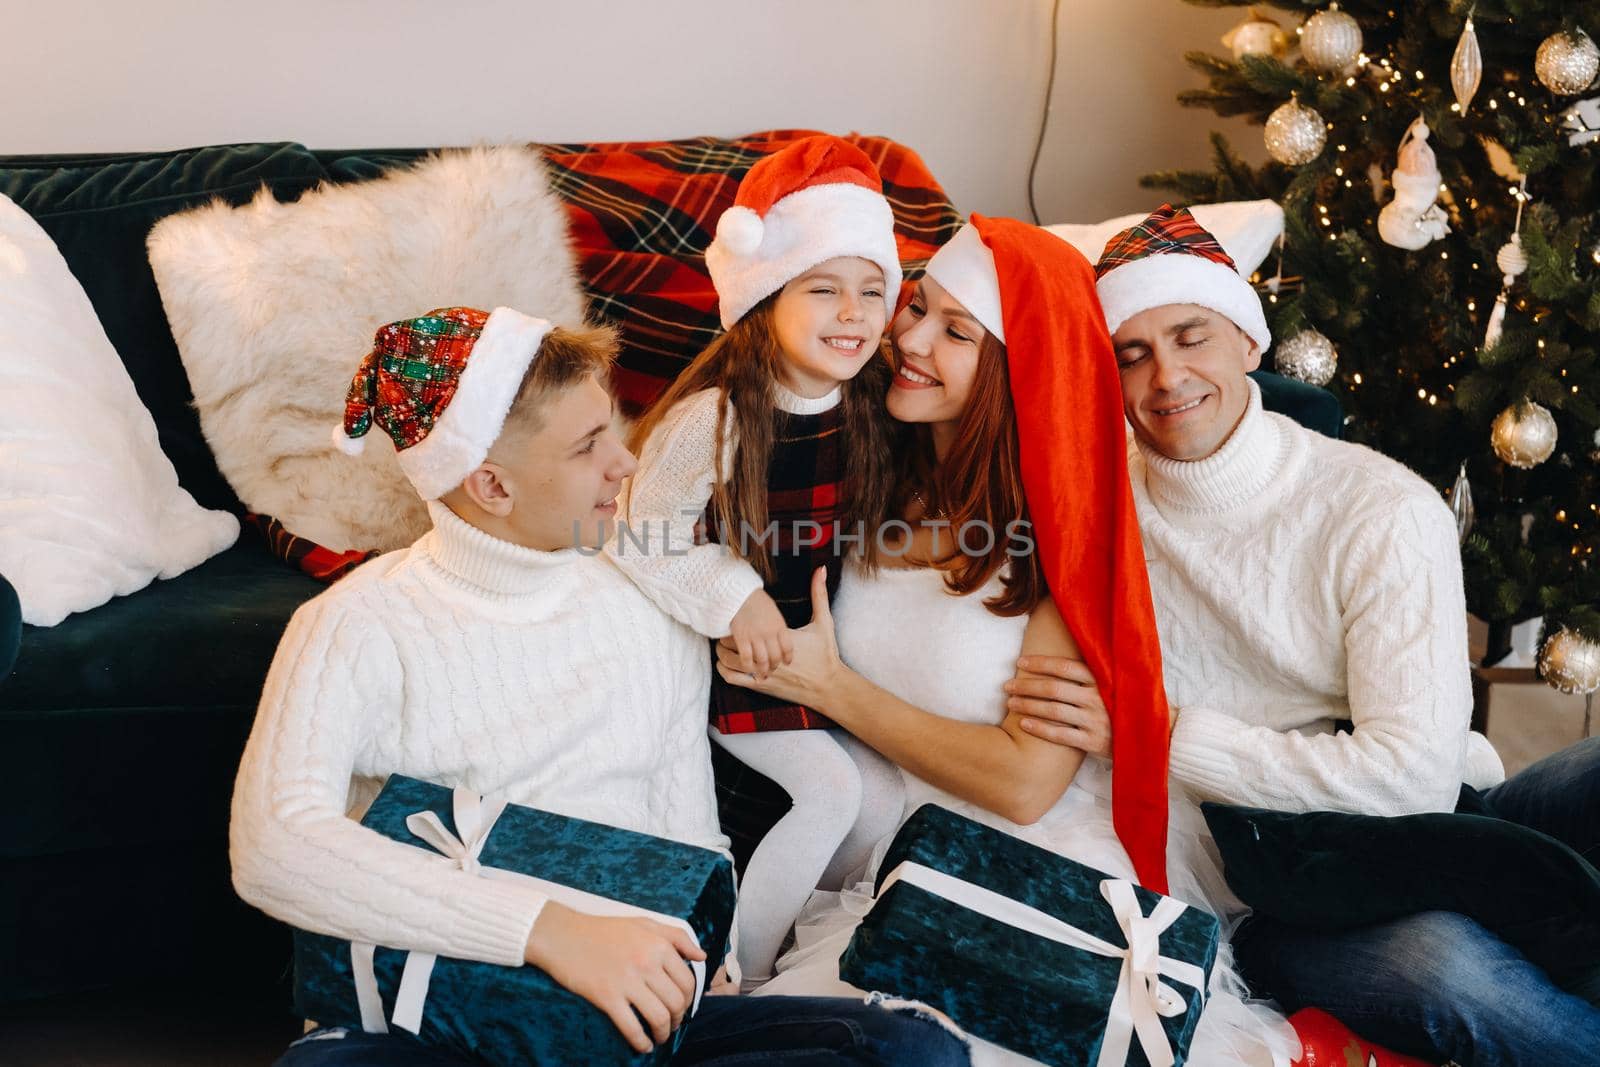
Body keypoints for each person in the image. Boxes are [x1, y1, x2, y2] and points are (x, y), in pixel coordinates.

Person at [231, 306, 969, 1067]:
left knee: (909, 1049)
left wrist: (699, 947)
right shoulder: (356, 624)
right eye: (589, 447)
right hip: (448, 1019)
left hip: (638, 1019)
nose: (625, 463)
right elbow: (273, 845)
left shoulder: (648, 596)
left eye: (613, 429)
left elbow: (686, 820)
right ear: (491, 484)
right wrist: (548, 931)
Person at [1015, 203, 1600, 1066]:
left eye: (1190, 336)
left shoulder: (1380, 508)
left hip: (1411, 818)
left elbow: (1413, 781)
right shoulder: (1094, 513)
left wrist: (1159, 734)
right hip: (1255, 891)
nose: (1166, 377)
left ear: (1249, 341)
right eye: (1130, 354)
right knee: (1449, 972)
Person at [723, 218, 1296, 1066]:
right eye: (917, 307)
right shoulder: (869, 465)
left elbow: (1026, 783)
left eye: (955, 332)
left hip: (1018, 854)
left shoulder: (1055, 534)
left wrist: (833, 686)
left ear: (1012, 368)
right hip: (871, 845)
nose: (906, 337)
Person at [610, 135, 904, 988]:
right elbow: (642, 531)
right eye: (824, 289)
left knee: (885, 800)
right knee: (831, 794)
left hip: (820, 660)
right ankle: (735, 972)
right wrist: (736, 597)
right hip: (737, 659)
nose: (852, 313)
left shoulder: (870, 411)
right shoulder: (715, 416)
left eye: (872, 291)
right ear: (766, 295)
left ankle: (815, 955)